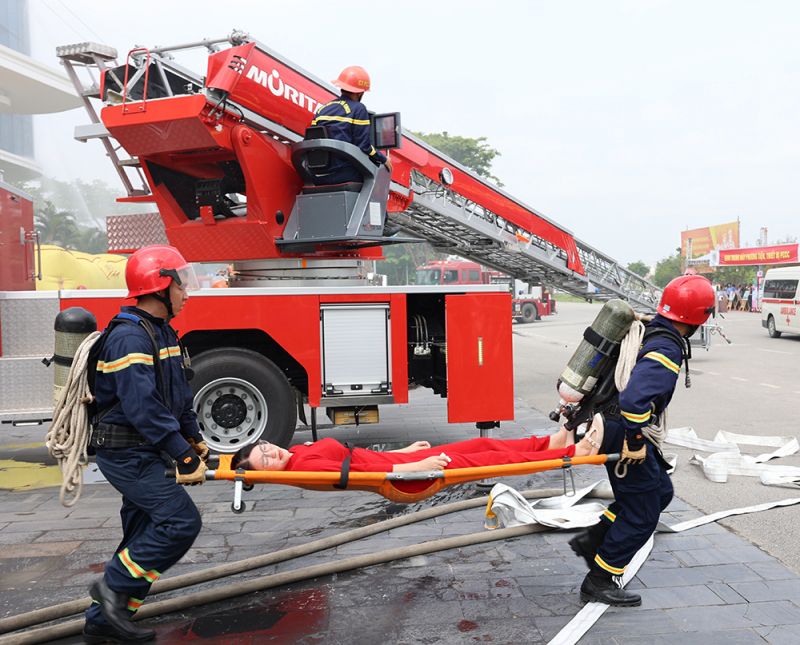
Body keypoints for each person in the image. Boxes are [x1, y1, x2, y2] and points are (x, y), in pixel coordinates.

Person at [83, 245, 208, 644]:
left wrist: (193, 437)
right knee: (180, 522)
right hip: (126, 453)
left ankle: (103, 620)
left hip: (146, 450)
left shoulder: (162, 332)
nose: (186, 293)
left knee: (143, 536)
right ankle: (112, 586)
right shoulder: (128, 338)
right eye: (181, 285)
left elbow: (177, 393)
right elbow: (142, 406)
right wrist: (182, 455)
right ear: (160, 287)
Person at [568, 274, 716, 607]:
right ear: (700, 317)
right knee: (644, 513)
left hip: (610, 423)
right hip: (623, 431)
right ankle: (599, 580)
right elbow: (634, 401)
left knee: (659, 491)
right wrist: (634, 441)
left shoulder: (653, 328)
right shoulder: (666, 346)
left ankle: (593, 541)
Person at [230, 423, 604, 493]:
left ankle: (551, 442)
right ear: (266, 474)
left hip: (402, 465)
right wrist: (415, 467)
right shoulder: (306, 469)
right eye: (266, 460)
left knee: (480, 445)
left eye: (265, 447)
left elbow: (360, 456)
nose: (272, 452)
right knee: (489, 459)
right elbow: (364, 475)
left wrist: (405, 451)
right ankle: (573, 453)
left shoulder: (296, 453)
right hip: (407, 479)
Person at [310, 66, 399, 236]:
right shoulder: (358, 109)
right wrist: (383, 159)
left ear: (341, 86)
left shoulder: (322, 110)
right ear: (361, 92)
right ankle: (381, 225)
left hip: (318, 174)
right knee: (377, 176)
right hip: (343, 173)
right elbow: (363, 145)